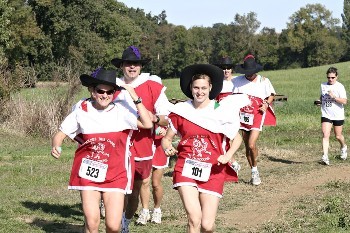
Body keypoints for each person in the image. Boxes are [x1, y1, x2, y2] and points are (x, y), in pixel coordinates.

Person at [51, 68, 153, 233]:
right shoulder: (81, 111)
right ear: (92, 91)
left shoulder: (121, 112)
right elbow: (60, 134)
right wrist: (56, 145)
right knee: (92, 224)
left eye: (110, 92)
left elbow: (148, 124)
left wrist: (135, 97)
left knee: (113, 226)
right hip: (89, 174)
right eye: (100, 91)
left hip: (116, 174)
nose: (105, 95)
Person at [161, 64, 250, 233]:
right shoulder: (182, 110)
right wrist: (167, 148)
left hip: (213, 170)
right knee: (194, 219)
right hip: (186, 168)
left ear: (210, 87)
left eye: (203, 88)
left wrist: (228, 155)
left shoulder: (220, 110)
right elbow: (167, 139)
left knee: (207, 226)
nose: (199, 92)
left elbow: (237, 138)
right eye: (196, 87)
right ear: (190, 88)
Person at [111, 46, 169, 232]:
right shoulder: (112, 86)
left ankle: (125, 222)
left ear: (140, 66)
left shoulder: (153, 86)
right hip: (117, 145)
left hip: (143, 145)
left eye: (136, 63)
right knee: (117, 188)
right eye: (128, 63)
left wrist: (155, 118)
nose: (132, 67)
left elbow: (167, 117)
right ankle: (115, 220)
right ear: (122, 66)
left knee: (137, 187)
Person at [233, 54, 276, 186]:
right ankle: (252, 170)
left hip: (257, 114)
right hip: (243, 116)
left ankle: (256, 170)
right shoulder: (237, 81)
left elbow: (271, 95)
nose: (250, 75)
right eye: (247, 73)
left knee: (252, 144)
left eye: (252, 73)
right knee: (247, 145)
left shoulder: (264, 81)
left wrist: (266, 104)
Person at [213, 56, 242, 181]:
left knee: (234, 138)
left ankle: (232, 161)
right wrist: (217, 109)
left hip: (235, 113)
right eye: (223, 68)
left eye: (228, 68)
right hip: (221, 114)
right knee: (225, 139)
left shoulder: (237, 82)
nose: (226, 70)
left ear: (232, 69)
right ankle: (232, 162)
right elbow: (213, 99)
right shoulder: (217, 82)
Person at [315, 67, 347, 165]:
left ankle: (344, 147)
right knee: (325, 134)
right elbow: (322, 96)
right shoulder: (323, 85)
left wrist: (334, 97)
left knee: (338, 136)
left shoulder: (340, 87)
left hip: (338, 114)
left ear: (336, 77)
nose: (330, 79)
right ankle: (325, 156)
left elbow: (345, 101)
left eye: (333, 77)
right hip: (326, 113)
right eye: (329, 77)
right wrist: (319, 101)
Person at [150, 125, 169, 224]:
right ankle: (144, 210)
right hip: (144, 142)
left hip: (159, 146)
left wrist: (161, 130)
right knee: (142, 182)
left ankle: (157, 210)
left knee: (155, 183)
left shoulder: (166, 109)